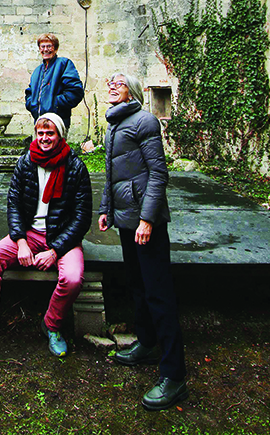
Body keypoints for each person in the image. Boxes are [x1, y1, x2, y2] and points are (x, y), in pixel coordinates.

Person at [0, 113, 92, 374]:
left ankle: (52, 324)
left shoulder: (76, 167)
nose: (44, 139)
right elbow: (13, 204)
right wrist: (21, 241)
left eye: (50, 134)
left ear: (60, 136)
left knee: (72, 277)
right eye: (41, 133)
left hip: (61, 239)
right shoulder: (26, 162)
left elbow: (82, 217)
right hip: (30, 234)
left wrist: (56, 250)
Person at [94, 72, 187, 411]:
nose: (110, 85)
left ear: (131, 91)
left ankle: (174, 376)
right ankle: (146, 342)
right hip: (126, 220)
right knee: (138, 285)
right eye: (109, 82)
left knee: (158, 293)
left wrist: (147, 219)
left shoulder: (144, 121)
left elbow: (158, 173)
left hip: (145, 222)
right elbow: (111, 172)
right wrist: (106, 208)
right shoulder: (115, 123)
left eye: (117, 82)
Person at [25, 34, 84, 132]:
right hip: (39, 123)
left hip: (58, 122)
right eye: (42, 46)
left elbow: (75, 91)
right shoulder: (37, 71)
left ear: (55, 49)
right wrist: (31, 105)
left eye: (49, 46)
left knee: (58, 147)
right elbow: (29, 93)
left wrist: (55, 104)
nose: (45, 49)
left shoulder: (64, 64)